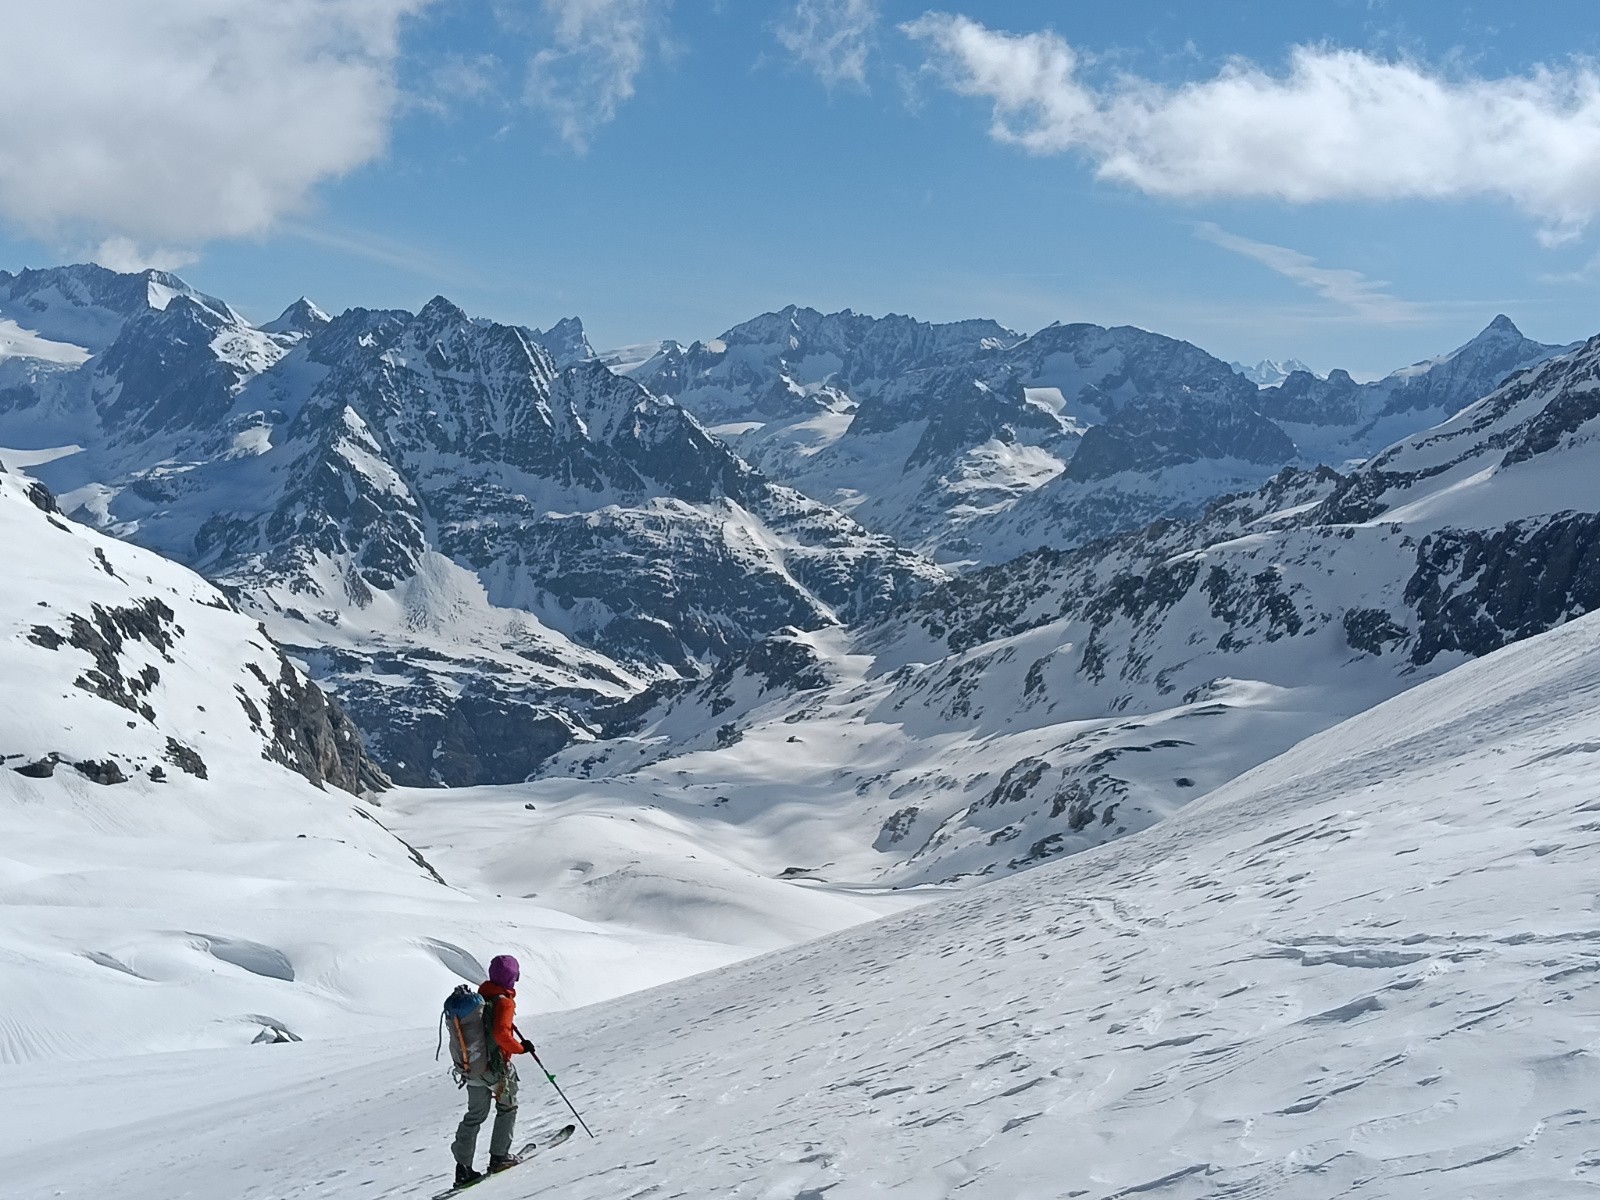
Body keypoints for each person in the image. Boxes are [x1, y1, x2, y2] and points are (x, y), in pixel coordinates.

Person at [451, 954, 538, 1187]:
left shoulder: (481, 997)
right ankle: (499, 1157)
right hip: (496, 1067)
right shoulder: (504, 1001)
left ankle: (463, 1169)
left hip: (473, 1067)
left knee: (474, 1116)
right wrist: (520, 1049)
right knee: (507, 1107)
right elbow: (501, 1034)